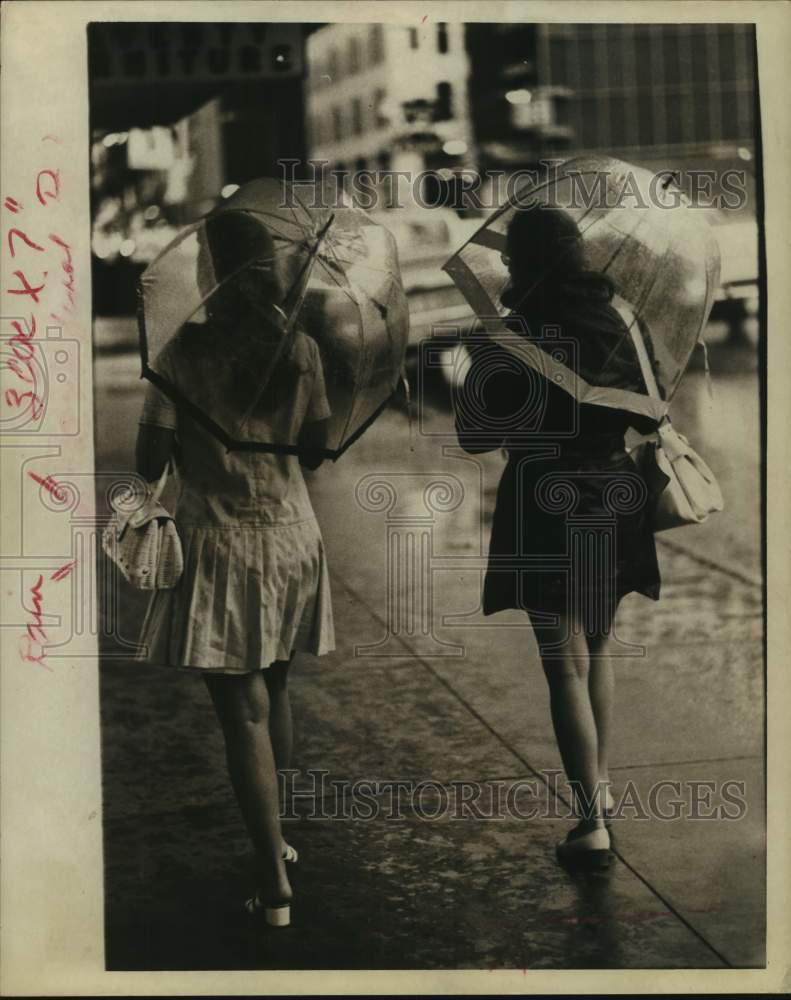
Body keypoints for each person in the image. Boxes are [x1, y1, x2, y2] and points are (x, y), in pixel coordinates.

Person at [134, 212, 334, 926]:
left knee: (241, 713)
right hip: (290, 538)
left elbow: (149, 465)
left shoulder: (178, 354)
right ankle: (279, 841)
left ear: (209, 272)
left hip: (219, 543)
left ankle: (273, 880)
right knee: (273, 687)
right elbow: (316, 452)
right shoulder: (300, 348)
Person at [454, 205, 661, 870]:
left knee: (562, 663)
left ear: (525, 263)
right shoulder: (620, 320)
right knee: (597, 649)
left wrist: (475, 364)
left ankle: (589, 822)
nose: (505, 266)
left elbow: (474, 436)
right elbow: (650, 411)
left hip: (546, 497)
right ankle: (600, 786)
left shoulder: (512, 336)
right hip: (614, 490)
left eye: (511, 257)